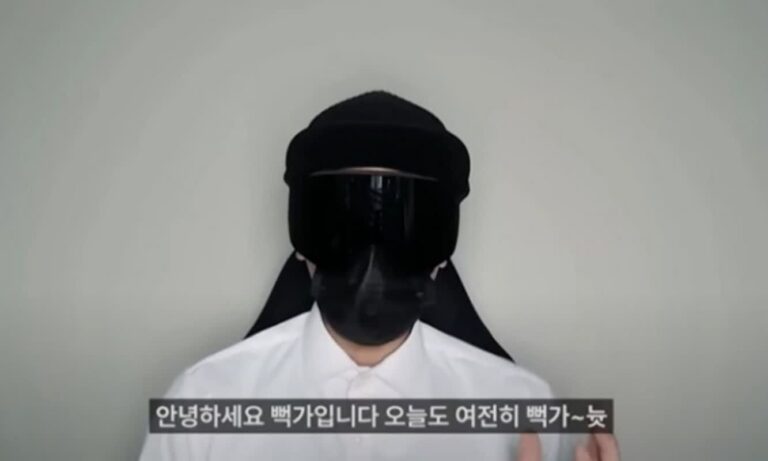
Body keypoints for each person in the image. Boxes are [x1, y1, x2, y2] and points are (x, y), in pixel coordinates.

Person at [138, 91, 620, 461]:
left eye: (401, 223)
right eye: (343, 222)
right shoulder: (203, 403)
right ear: (302, 238)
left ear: (441, 251)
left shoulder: (523, 409)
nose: (372, 259)